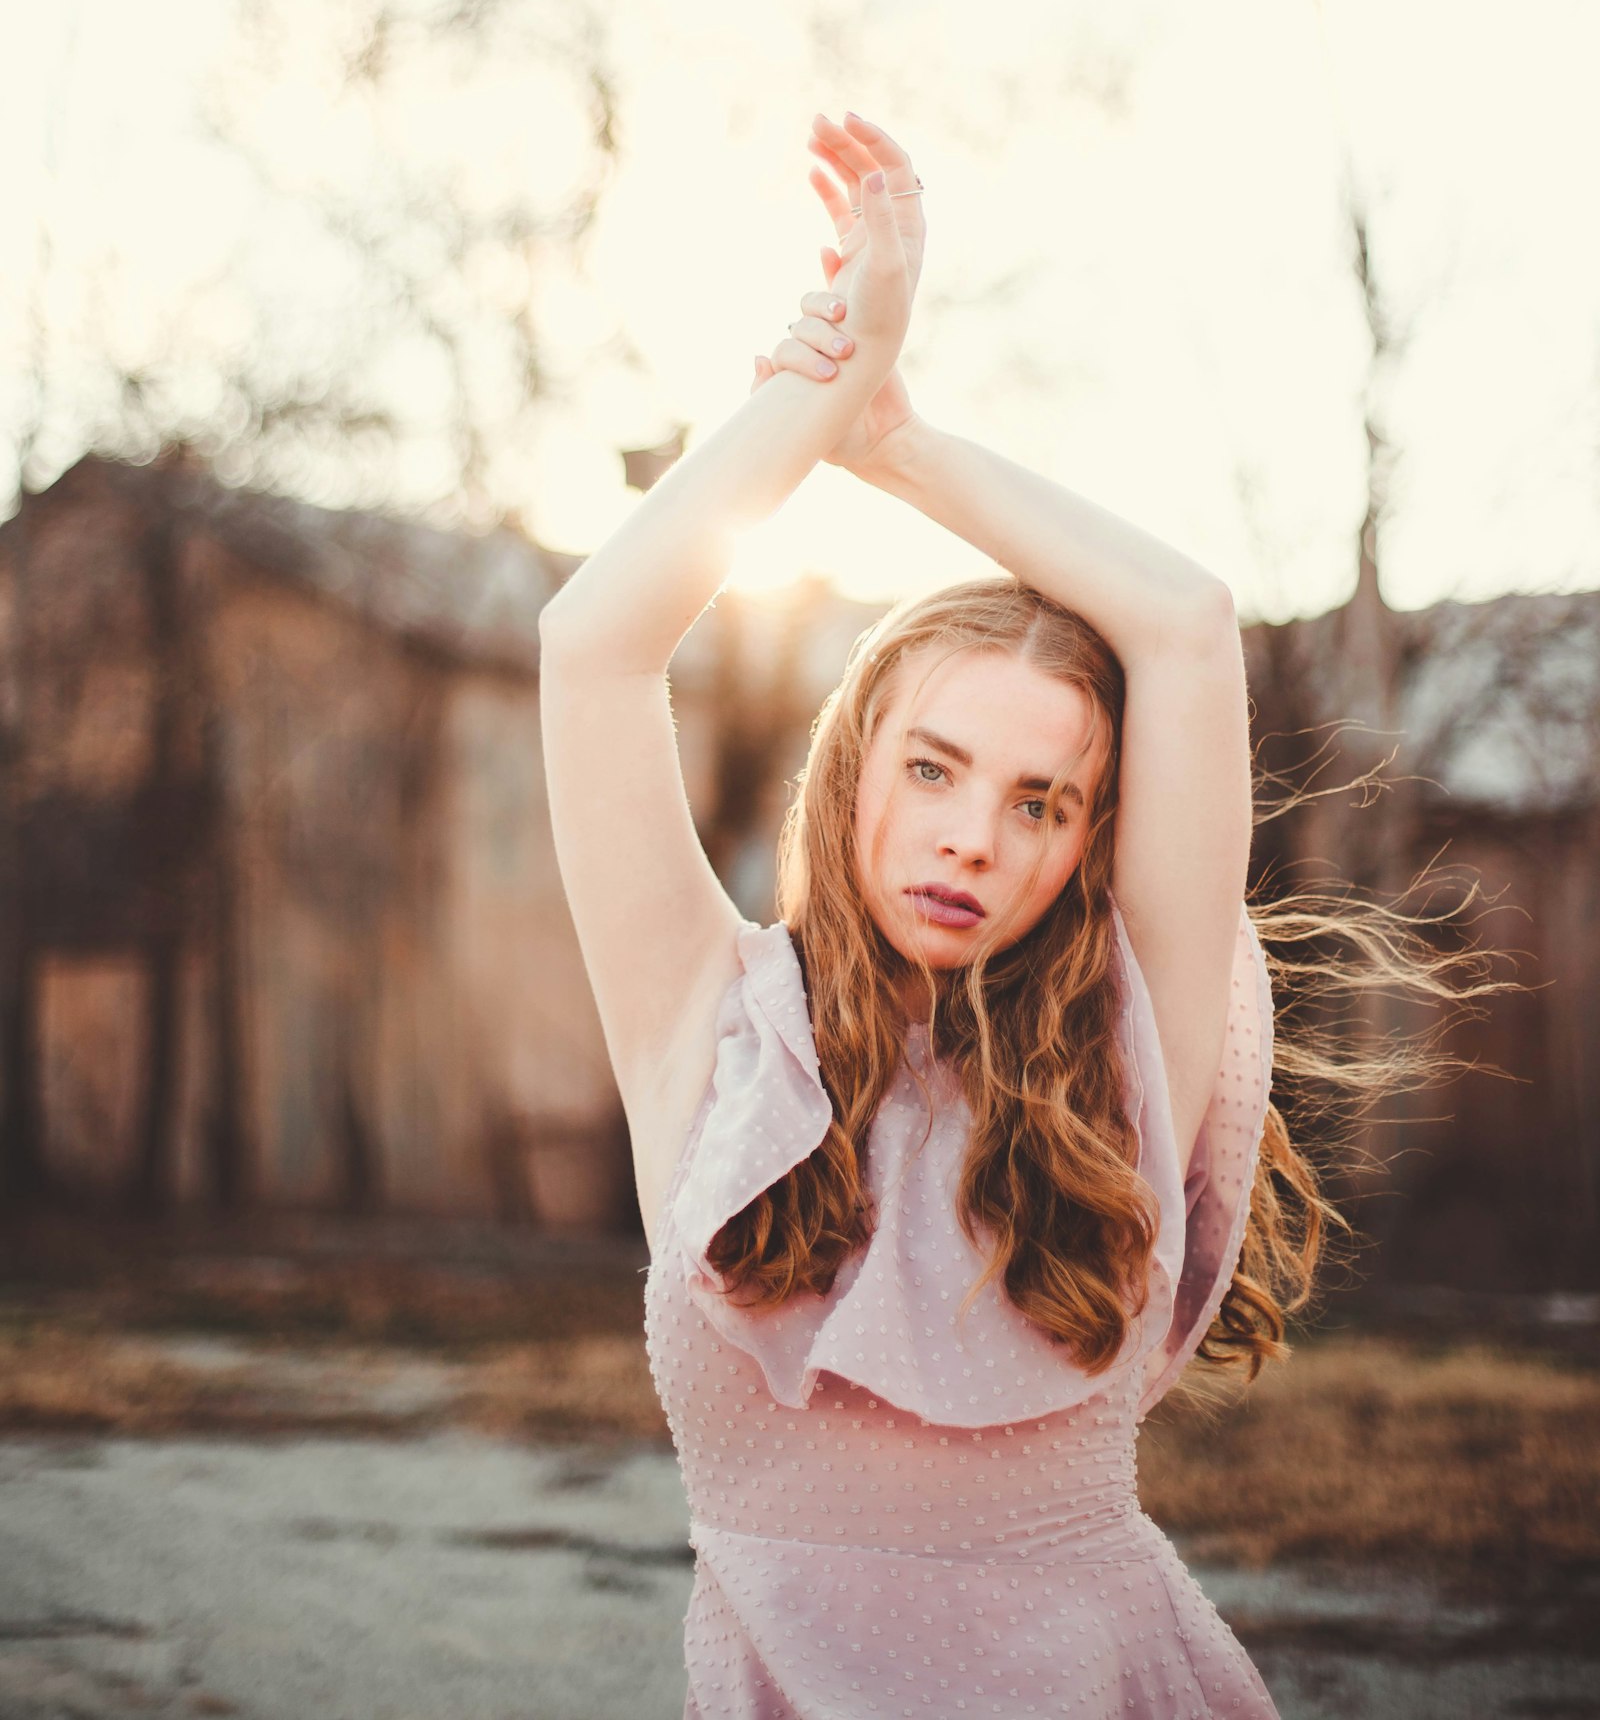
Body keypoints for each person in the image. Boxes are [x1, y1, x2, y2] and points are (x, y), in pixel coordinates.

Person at [535, 111, 1445, 1718]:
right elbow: (592, 646)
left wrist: (898, 443)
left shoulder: (1127, 1049)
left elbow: (1182, 623)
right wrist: (815, 400)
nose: (974, 839)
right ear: (853, 772)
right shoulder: (706, 1018)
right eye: (936, 768)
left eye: (1043, 802)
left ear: (1094, 840)